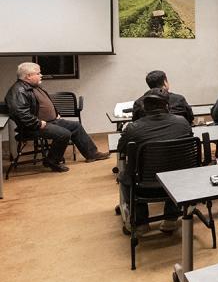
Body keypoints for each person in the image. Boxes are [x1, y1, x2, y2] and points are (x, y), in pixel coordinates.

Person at [5, 62, 109, 172]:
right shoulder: (18, 91)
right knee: (63, 134)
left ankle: (92, 154)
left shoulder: (34, 86)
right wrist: (38, 123)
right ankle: (52, 161)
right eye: (38, 73)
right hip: (32, 127)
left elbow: (46, 102)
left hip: (50, 121)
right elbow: (20, 113)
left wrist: (55, 113)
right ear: (28, 76)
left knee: (76, 126)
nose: (41, 75)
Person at [118, 88, 192, 234]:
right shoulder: (183, 123)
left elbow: (121, 149)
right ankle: (170, 220)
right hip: (178, 185)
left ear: (144, 108)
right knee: (175, 166)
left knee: (126, 174)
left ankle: (140, 223)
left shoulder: (133, 128)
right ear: (167, 106)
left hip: (144, 187)